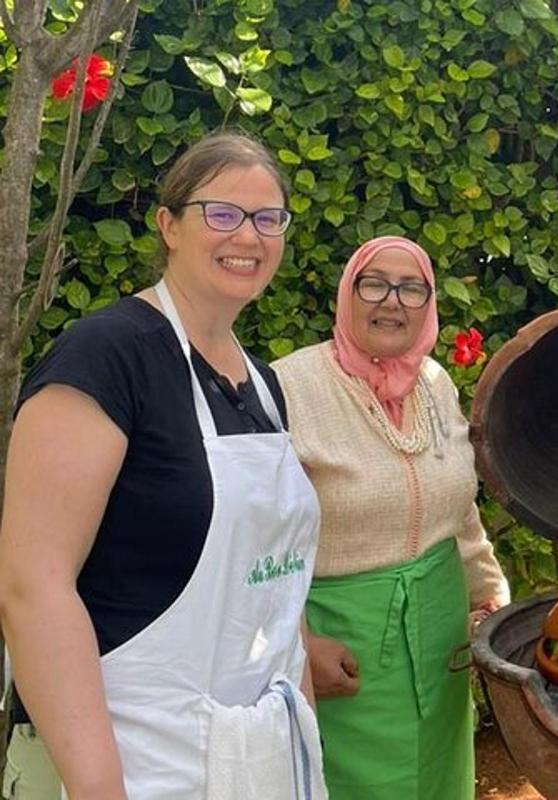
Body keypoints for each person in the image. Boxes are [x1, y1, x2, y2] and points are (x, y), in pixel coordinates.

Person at [0, 132, 324, 799]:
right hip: (136, 760)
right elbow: (32, 588)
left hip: (262, 757)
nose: (250, 235)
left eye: (269, 219)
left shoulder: (263, 385)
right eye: (223, 213)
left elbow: (275, 592)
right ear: (168, 224)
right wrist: (98, 787)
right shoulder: (105, 358)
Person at [272, 235, 510, 800]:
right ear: (346, 294)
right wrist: (299, 641)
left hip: (439, 633)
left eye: (411, 288)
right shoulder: (290, 386)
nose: (392, 301)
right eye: (374, 283)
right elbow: (257, 537)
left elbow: (457, 507)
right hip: (343, 641)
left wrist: (487, 594)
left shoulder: (434, 382)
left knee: (440, 780)